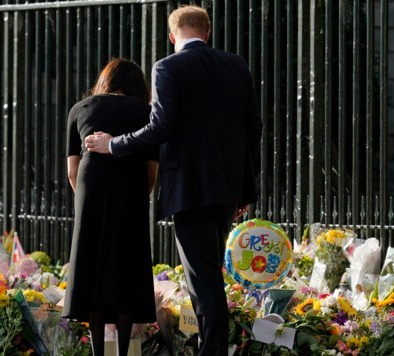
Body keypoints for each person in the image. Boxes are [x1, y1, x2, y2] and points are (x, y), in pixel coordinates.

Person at [85, 5, 262, 355]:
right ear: (207, 32)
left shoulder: (167, 67)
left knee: (204, 280)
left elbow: (159, 127)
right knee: (209, 275)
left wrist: (113, 144)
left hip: (189, 188)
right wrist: (246, 187)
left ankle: (210, 351)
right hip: (227, 187)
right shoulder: (236, 65)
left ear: (171, 36)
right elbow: (252, 127)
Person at [62, 58, 158, 356]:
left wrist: (86, 201)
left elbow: (72, 170)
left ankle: (97, 351)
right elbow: (151, 171)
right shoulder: (146, 112)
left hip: (91, 188)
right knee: (126, 267)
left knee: (92, 266)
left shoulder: (81, 109)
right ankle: (123, 347)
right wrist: (138, 199)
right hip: (130, 188)